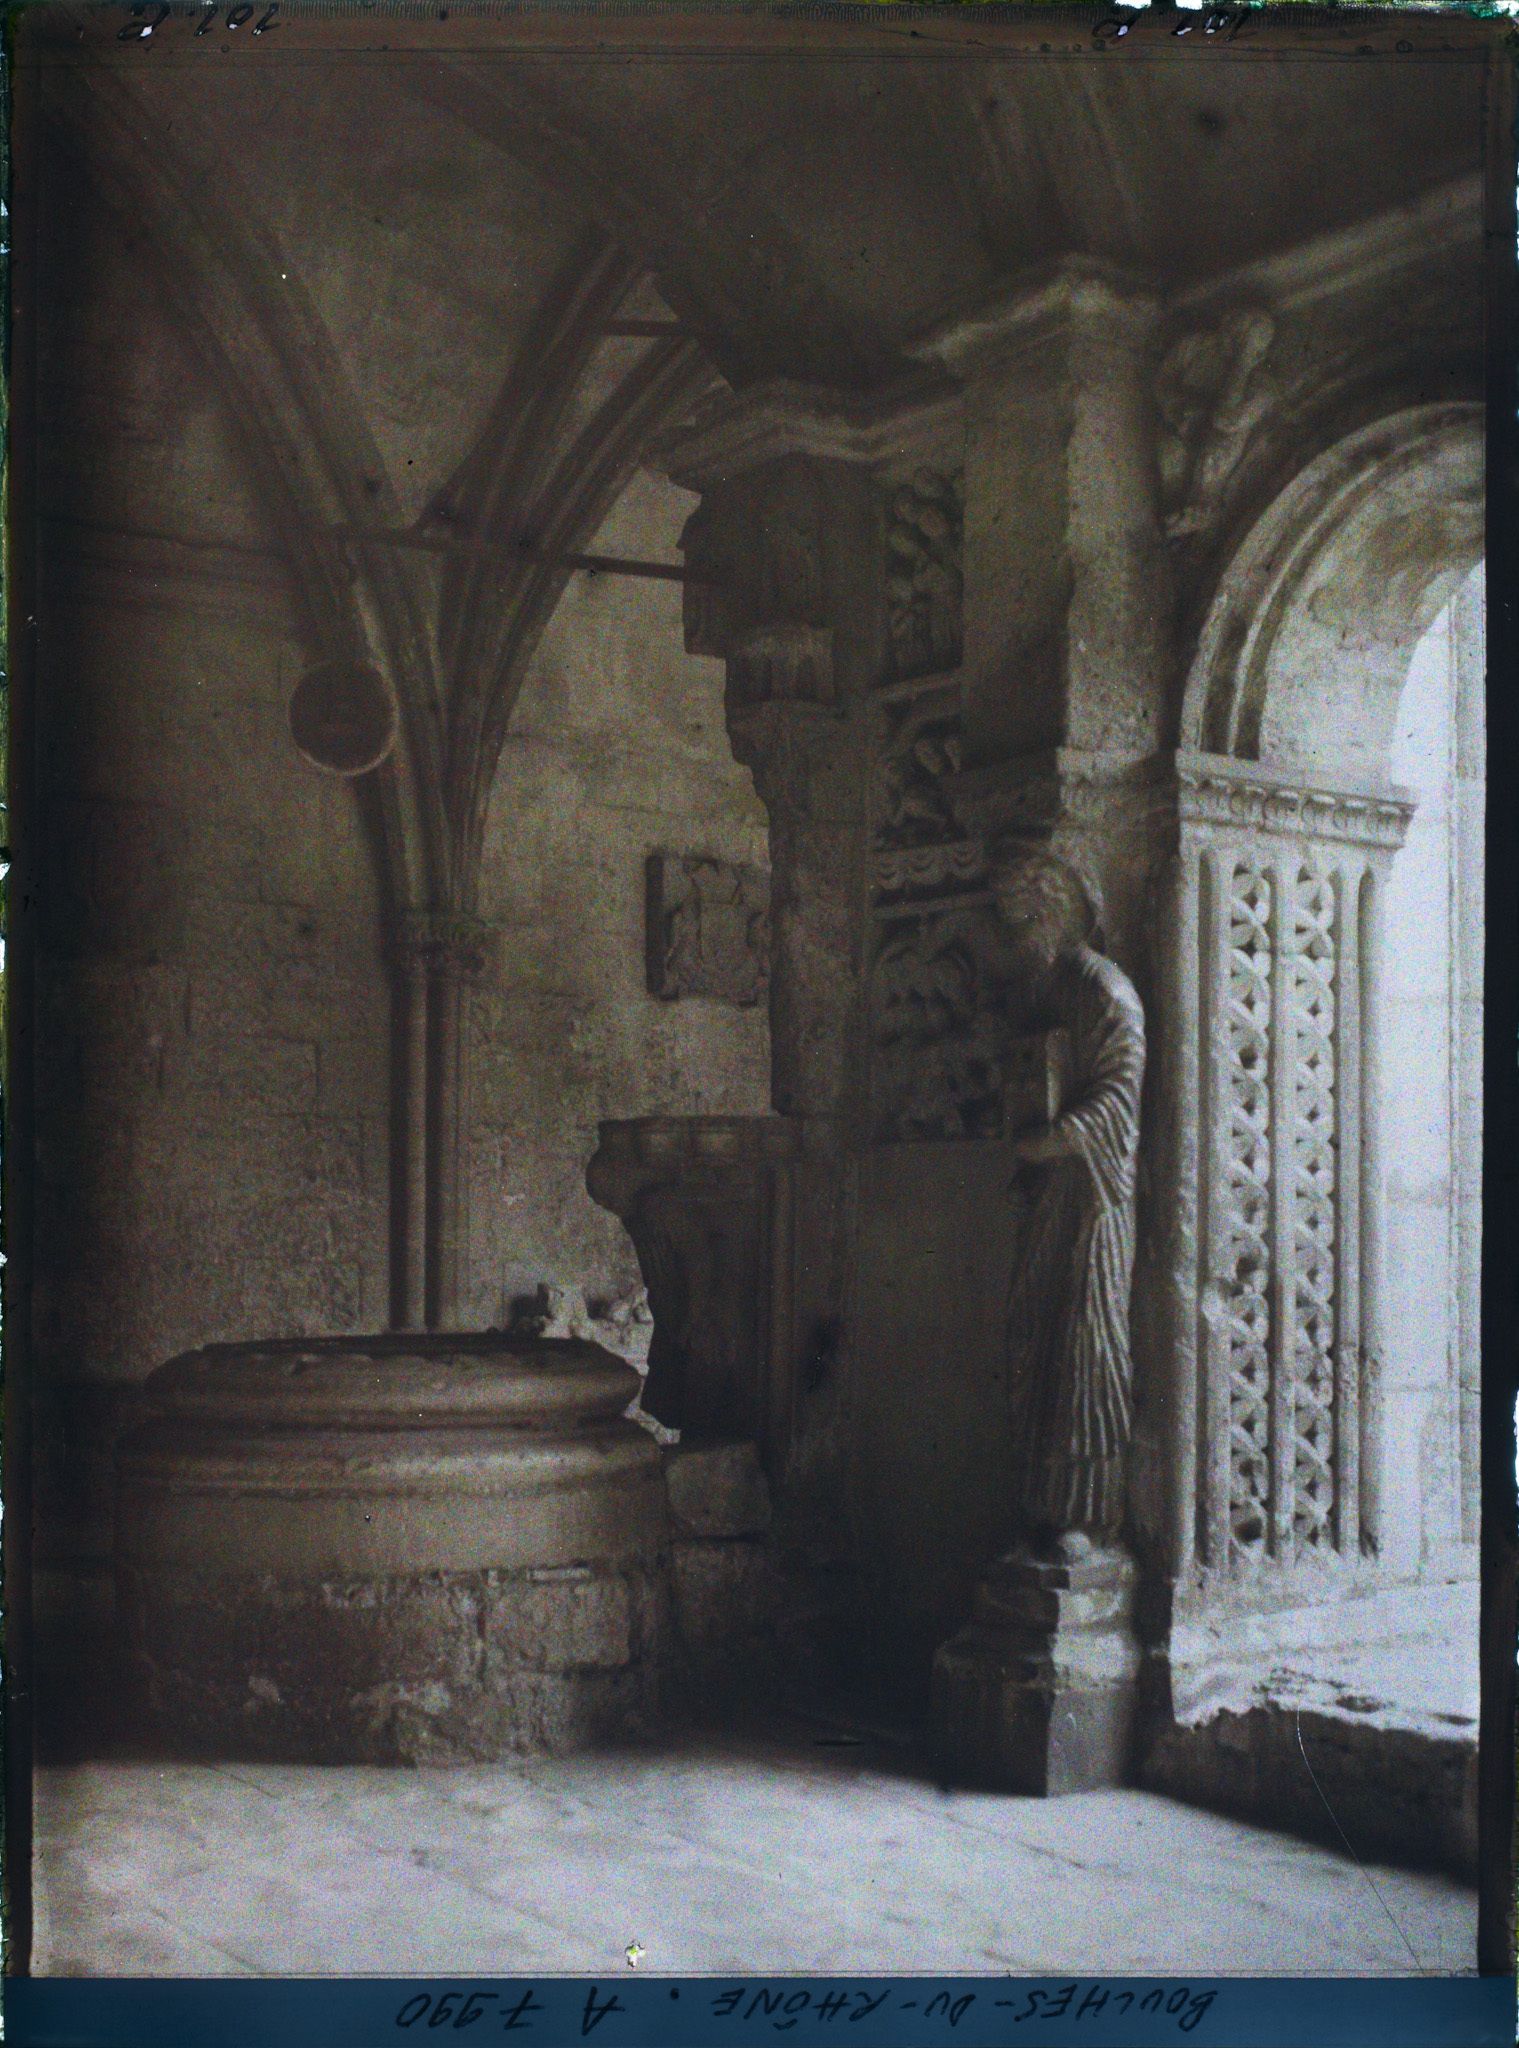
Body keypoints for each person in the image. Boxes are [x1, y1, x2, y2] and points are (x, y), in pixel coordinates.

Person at [988, 845, 1147, 1549]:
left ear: (1050, 916)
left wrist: (1054, 1140)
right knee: (1032, 1335)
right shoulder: (1042, 993)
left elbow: (1120, 1094)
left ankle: (1083, 1513)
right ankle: (1039, 1500)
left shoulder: (1102, 990)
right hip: (1049, 1196)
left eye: (1016, 921)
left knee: (1086, 1346)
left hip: (1093, 1199)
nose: (1009, 938)